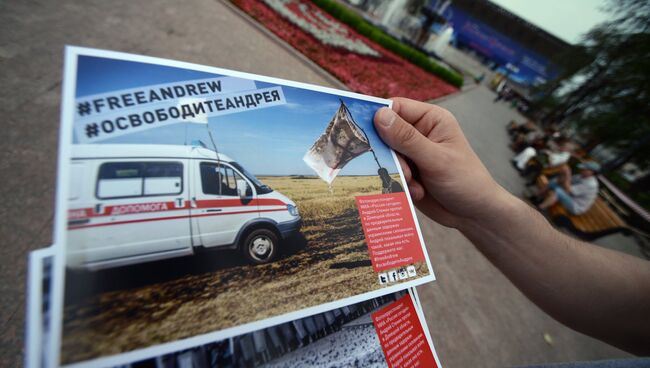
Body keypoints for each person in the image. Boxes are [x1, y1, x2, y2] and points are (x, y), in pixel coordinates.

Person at [373, 98, 650, 357]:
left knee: (551, 185)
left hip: (572, 208)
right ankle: (540, 197)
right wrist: (477, 214)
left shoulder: (586, 181)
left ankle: (540, 198)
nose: (585, 171)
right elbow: (636, 309)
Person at [536, 162, 600, 214]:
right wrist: (562, 174)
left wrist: (568, 174)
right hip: (570, 196)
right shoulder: (581, 176)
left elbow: (569, 190)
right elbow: (566, 182)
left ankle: (540, 208)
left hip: (576, 206)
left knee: (558, 191)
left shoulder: (591, 184)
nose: (581, 170)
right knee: (554, 182)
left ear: (591, 172)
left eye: (584, 169)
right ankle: (536, 197)